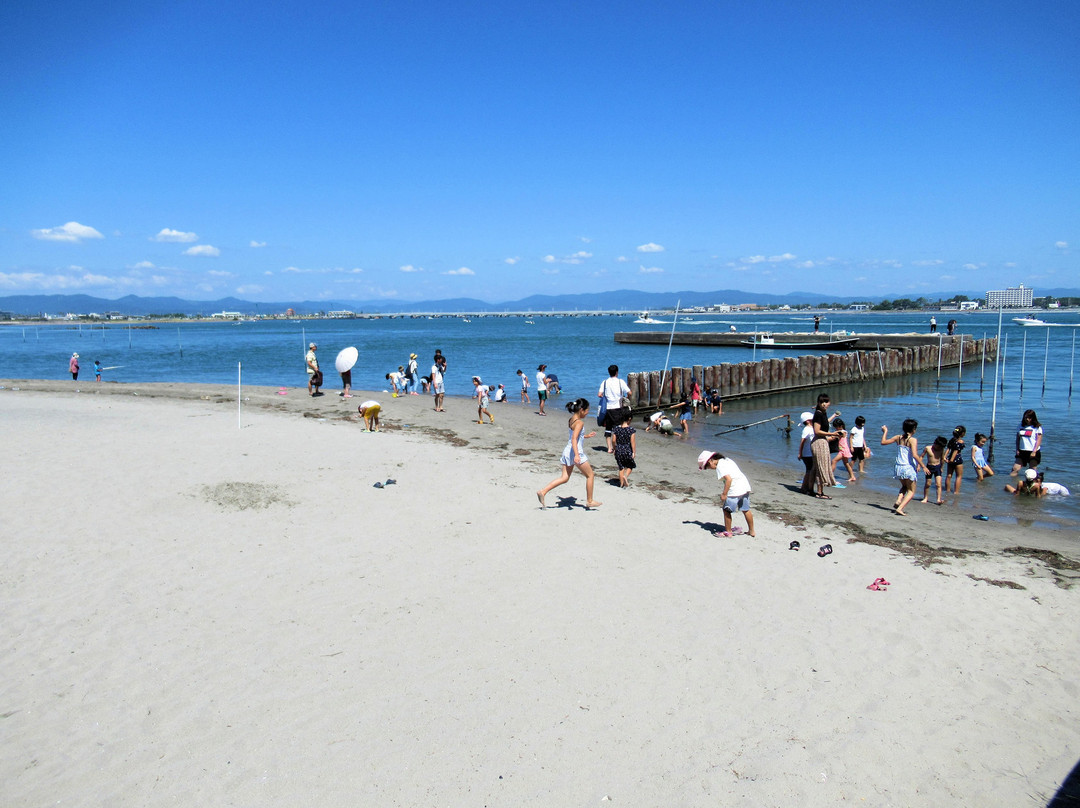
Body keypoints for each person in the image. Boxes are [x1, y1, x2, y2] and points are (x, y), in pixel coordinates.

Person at [536, 398, 601, 509]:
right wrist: (576, 455)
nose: (588, 412)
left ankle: (543, 491)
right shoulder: (580, 422)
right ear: (581, 410)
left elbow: (574, 435)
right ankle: (589, 501)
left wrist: (586, 436)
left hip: (568, 451)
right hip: (575, 452)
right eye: (587, 410)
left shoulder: (572, 420)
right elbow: (574, 439)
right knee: (590, 475)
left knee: (564, 478)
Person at [698, 450, 755, 537]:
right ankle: (751, 531)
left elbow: (729, 479)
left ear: (710, 461)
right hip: (744, 486)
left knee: (726, 510)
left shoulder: (720, 466)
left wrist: (724, 494)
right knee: (745, 509)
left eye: (707, 466)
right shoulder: (726, 460)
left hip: (735, 490)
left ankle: (728, 532)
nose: (709, 468)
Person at [881, 418, 928, 516]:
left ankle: (899, 500)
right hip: (908, 467)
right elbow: (915, 455)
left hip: (898, 467)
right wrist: (923, 466)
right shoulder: (912, 440)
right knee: (911, 491)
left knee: (904, 486)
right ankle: (900, 508)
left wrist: (885, 431)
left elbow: (883, 442)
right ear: (913, 429)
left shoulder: (898, 437)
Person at [810, 393, 842, 498]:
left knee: (816, 467)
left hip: (822, 441)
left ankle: (810, 489)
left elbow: (825, 424)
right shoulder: (818, 414)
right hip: (819, 442)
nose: (824, 404)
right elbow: (817, 431)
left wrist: (833, 416)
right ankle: (819, 493)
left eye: (826, 402)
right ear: (818, 403)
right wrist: (832, 434)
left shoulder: (823, 413)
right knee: (821, 467)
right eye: (822, 402)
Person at [598, 365, 631, 452]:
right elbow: (629, 392)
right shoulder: (620, 382)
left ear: (609, 372)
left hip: (608, 409)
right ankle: (616, 447)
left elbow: (599, 394)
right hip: (618, 408)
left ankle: (609, 448)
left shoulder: (605, 382)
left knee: (608, 429)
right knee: (618, 429)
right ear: (617, 372)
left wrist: (605, 397)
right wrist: (625, 397)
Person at [1010, 409, 1043, 474]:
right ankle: (1012, 482)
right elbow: (1018, 439)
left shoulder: (1037, 427)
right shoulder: (1020, 426)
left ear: (1033, 418)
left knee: (1032, 470)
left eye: (1029, 418)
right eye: (1026, 417)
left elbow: (1039, 440)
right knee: (1015, 468)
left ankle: (1034, 483)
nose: (1027, 419)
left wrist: (1034, 451)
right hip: (1022, 450)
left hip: (1033, 451)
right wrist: (1017, 449)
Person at [920, 435, 948, 504]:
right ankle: (925, 498)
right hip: (929, 467)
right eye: (938, 446)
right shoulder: (928, 448)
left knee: (938, 484)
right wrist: (920, 466)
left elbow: (942, 459)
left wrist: (941, 467)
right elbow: (921, 457)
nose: (939, 448)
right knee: (928, 484)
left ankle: (938, 499)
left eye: (941, 447)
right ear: (935, 443)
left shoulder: (941, 450)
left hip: (937, 467)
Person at [612, 410, 637, 488]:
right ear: (629, 419)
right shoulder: (631, 430)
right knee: (631, 465)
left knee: (621, 467)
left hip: (618, 449)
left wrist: (614, 448)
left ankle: (621, 484)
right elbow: (632, 442)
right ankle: (625, 476)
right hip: (627, 450)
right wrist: (634, 452)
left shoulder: (616, 429)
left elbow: (613, 440)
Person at [1005, 468, 1070, 497]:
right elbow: (1038, 497)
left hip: (1061, 489)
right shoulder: (1036, 485)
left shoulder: (1043, 487)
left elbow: (1040, 496)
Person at [831, 418, 857, 483]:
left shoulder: (842, 432)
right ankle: (852, 476)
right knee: (846, 463)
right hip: (844, 449)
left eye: (836, 427)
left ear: (840, 426)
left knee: (834, 461)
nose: (836, 429)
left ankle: (830, 476)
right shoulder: (843, 431)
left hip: (843, 450)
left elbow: (834, 437)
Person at [797, 411, 816, 495]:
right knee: (809, 470)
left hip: (811, 453)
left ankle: (806, 486)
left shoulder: (812, 428)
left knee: (810, 470)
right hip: (807, 454)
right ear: (807, 421)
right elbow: (802, 441)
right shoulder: (807, 429)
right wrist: (800, 453)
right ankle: (804, 487)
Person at [944, 425, 966, 493]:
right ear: (962, 433)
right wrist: (952, 460)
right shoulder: (960, 442)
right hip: (957, 459)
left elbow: (948, 449)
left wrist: (945, 457)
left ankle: (947, 490)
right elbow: (956, 451)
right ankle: (956, 492)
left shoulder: (952, 440)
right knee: (959, 476)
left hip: (950, 458)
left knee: (949, 475)